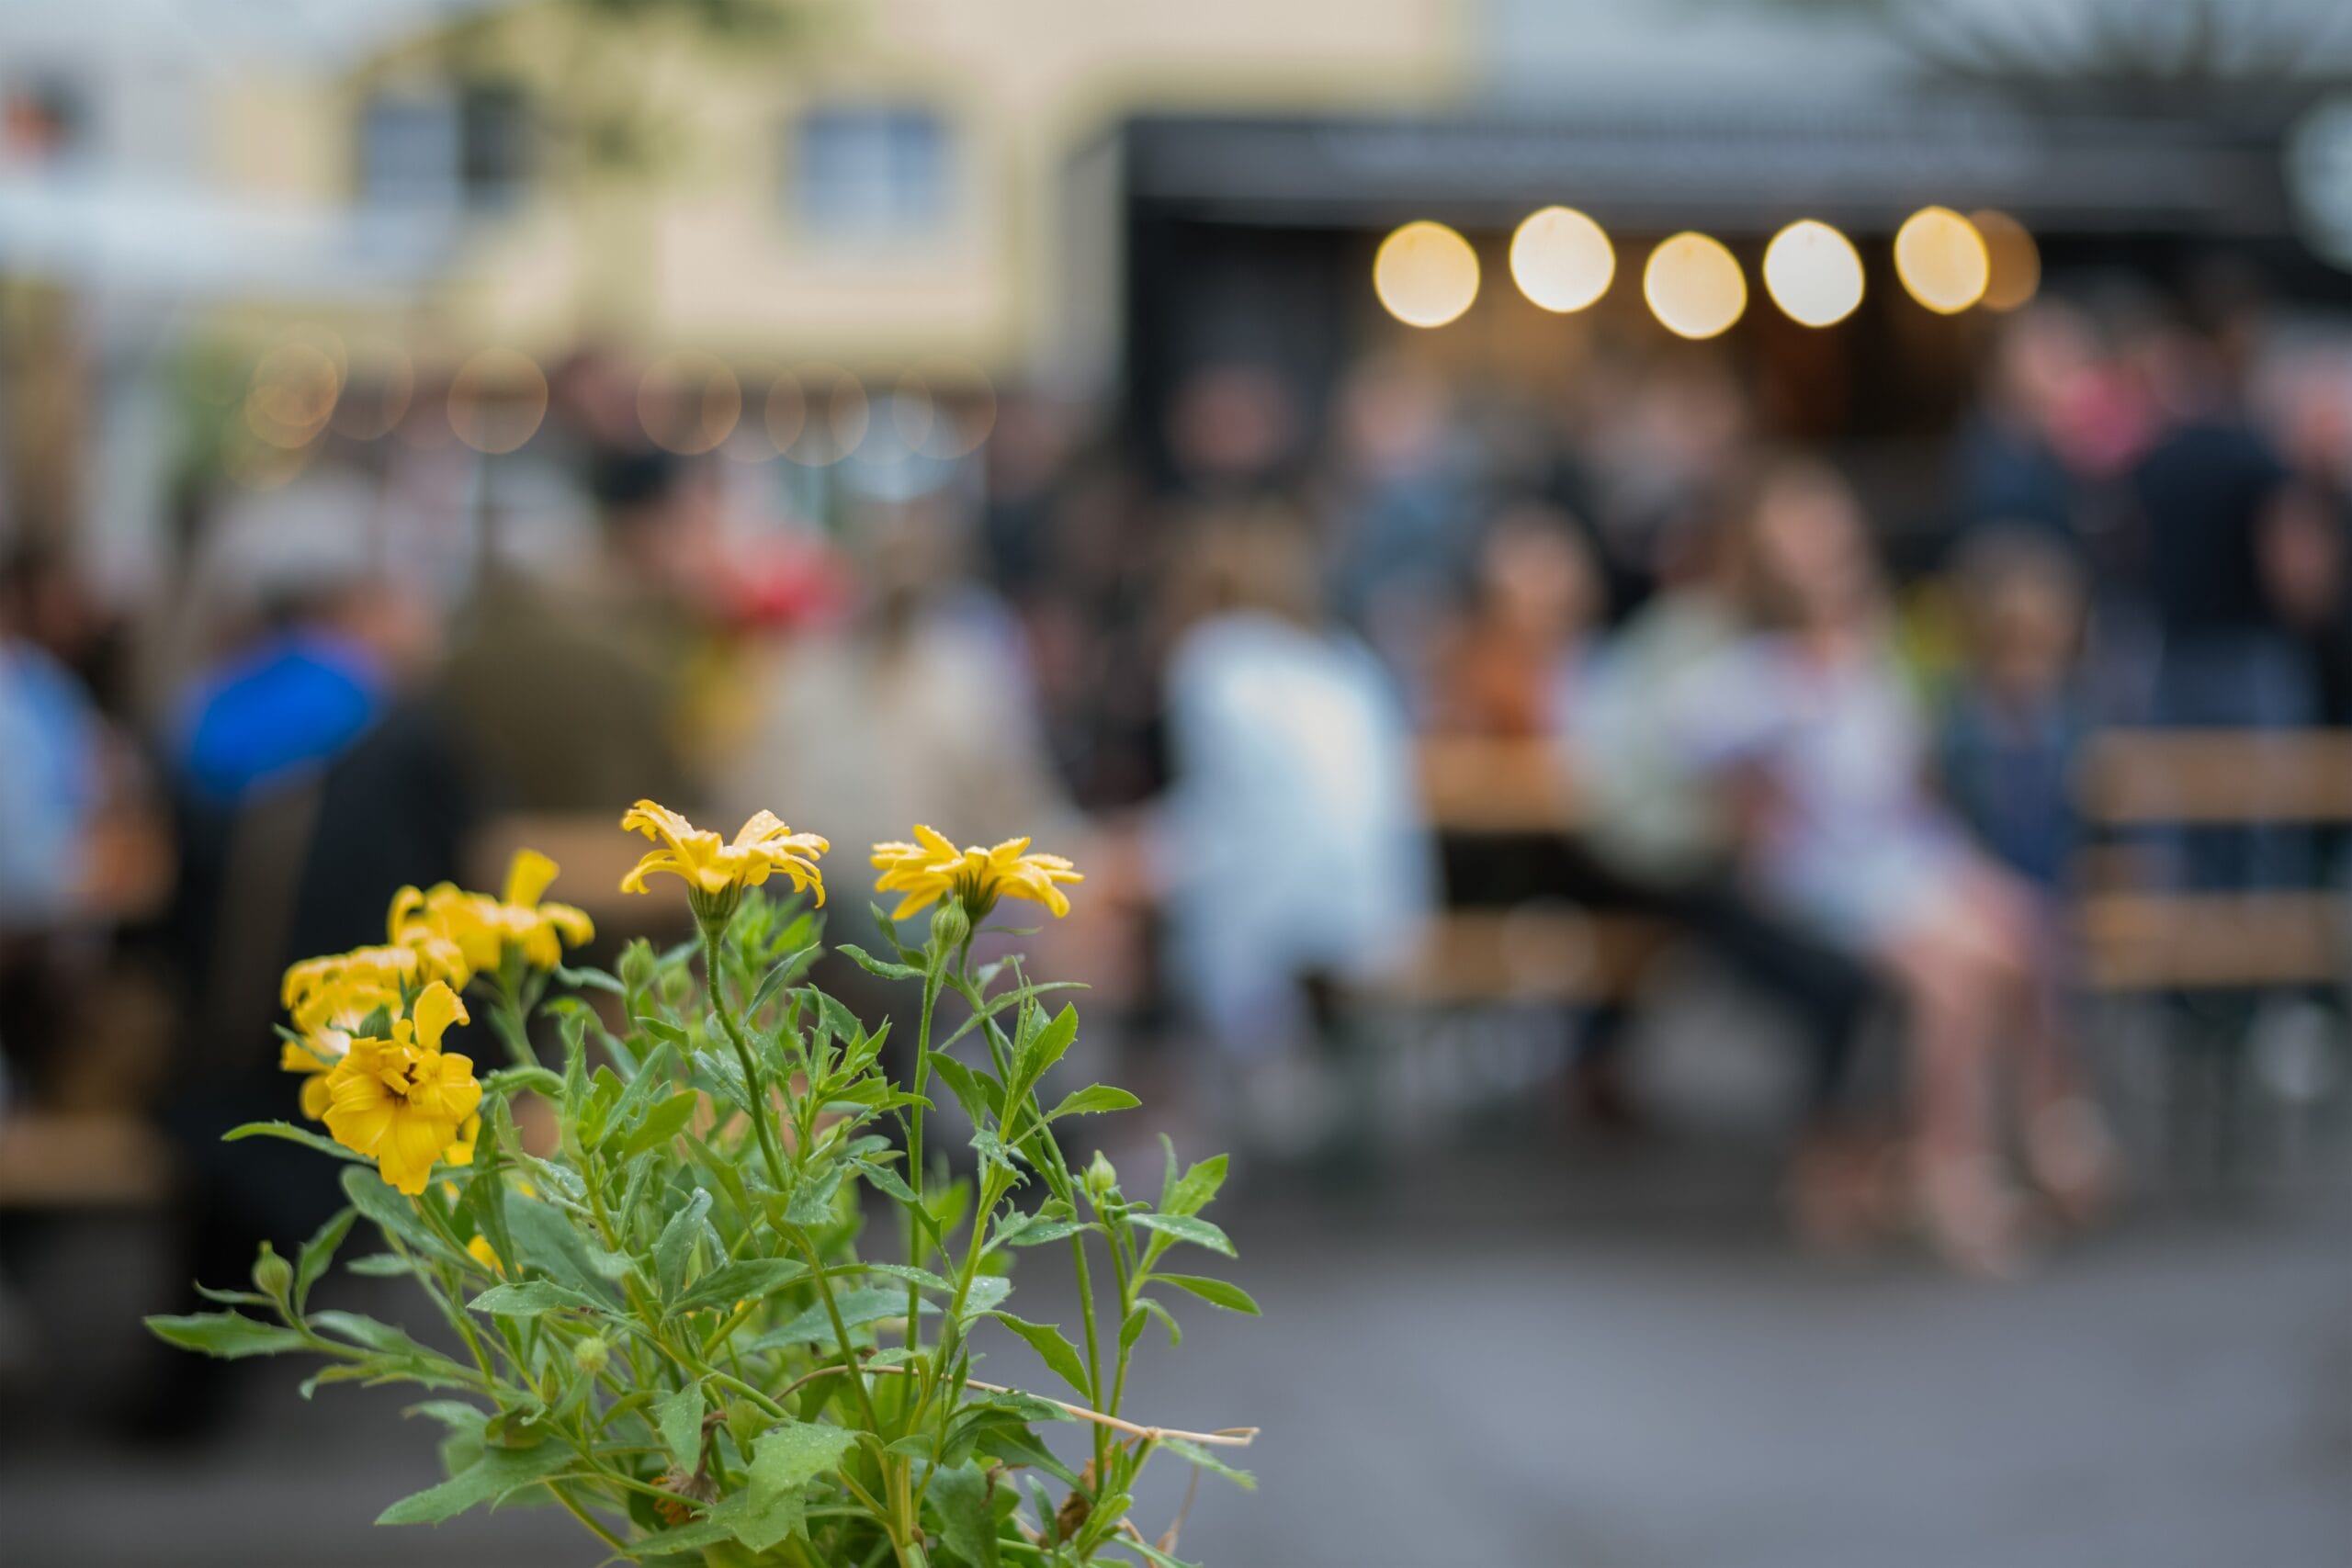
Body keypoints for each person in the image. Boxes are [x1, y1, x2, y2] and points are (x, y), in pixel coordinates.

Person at [1679, 456, 2116, 1274]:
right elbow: (1712, 760)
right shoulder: (1749, 659)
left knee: (2023, 925)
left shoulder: (1880, 636)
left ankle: (2050, 1124)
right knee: (1957, 978)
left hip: (1897, 852)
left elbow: (1901, 772)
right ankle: (1962, 1174)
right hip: (1825, 872)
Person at [1154, 506, 1432, 1144]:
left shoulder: (1212, 660)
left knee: (1139, 893)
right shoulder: (1346, 660)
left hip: (1272, 896)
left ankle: (1193, 1119)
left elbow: (1228, 813)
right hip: (1380, 897)